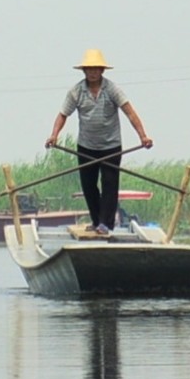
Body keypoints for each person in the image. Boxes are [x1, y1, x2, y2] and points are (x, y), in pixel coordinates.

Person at [44, 49, 152, 238]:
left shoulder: (112, 89)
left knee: (110, 184)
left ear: (102, 71)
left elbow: (130, 112)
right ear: (84, 71)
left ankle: (105, 223)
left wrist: (143, 136)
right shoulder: (76, 91)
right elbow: (63, 115)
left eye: (96, 69)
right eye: (89, 69)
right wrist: (54, 135)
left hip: (111, 146)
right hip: (86, 147)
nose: (93, 72)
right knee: (88, 185)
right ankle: (96, 221)